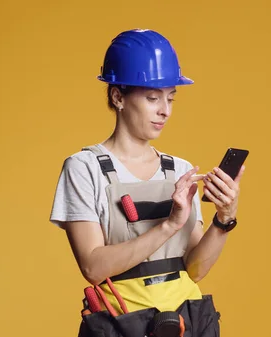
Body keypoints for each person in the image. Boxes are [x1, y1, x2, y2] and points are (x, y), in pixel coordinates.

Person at [49, 28, 246, 337]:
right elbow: (93, 268)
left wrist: (224, 218)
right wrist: (168, 225)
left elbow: (194, 270)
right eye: (153, 98)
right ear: (118, 97)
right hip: (122, 324)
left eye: (170, 98)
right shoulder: (84, 168)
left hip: (186, 321)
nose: (164, 110)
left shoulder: (178, 170)